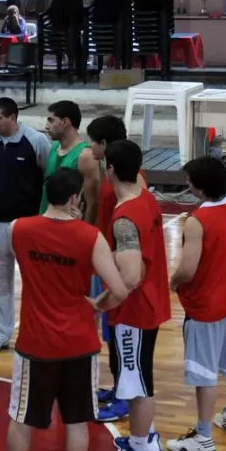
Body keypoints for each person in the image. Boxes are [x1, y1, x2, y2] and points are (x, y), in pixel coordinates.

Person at [0, 167, 129, 451]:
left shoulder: (20, 228)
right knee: (76, 422)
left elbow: (15, 256)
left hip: (36, 344)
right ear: (76, 198)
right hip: (79, 343)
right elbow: (120, 290)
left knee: (22, 419)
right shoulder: (90, 237)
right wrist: (97, 306)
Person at [166, 156, 226, 451]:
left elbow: (188, 269)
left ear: (198, 187)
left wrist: (172, 282)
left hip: (206, 305)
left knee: (204, 371)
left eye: (188, 180)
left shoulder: (197, 221)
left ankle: (203, 437)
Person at [92, 139, 171, 451]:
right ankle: (148, 439)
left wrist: (98, 305)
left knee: (137, 384)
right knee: (140, 376)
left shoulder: (124, 219)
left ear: (109, 169)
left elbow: (130, 278)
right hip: (151, 305)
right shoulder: (146, 196)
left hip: (135, 312)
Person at [0, 97, 51, 354]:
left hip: (29, 225)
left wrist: (46, 214)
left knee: (36, 282)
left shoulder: (36, 141)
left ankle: (37, 332)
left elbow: (50, 177)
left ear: (13, 117)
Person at [86, 115, 150, 423]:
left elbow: (129, 241)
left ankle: (124, 398)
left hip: (115, 266)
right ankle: (117, 388)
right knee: (113, 335)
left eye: (93, 142)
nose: (88, 148)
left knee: (119, 335)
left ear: (105, 146)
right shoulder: (126, 178)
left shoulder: (124, 189)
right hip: (107, 262)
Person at [39, 101, 96, 216]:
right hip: (46, 219)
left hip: (67, 226)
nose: (46, 126)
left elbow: (93, 203)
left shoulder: (85, 155)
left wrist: (85, 230)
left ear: (65, 122)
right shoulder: (54, 148)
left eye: (51, 120)